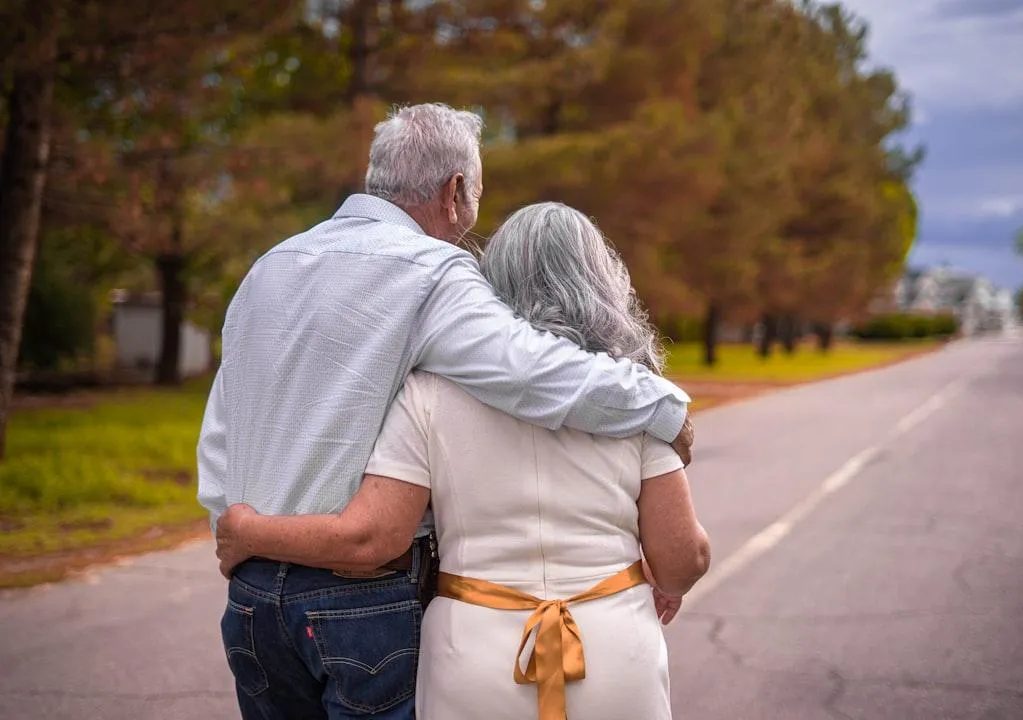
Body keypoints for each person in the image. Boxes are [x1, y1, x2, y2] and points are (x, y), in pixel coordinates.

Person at [196, 103, 694, 720]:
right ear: (455, 191)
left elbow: (223, 428)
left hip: (249, 597)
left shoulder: (268, 268)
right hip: (359, 600)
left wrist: (236, 529)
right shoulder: (434, 272)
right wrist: (662, 403)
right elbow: (532, 371)